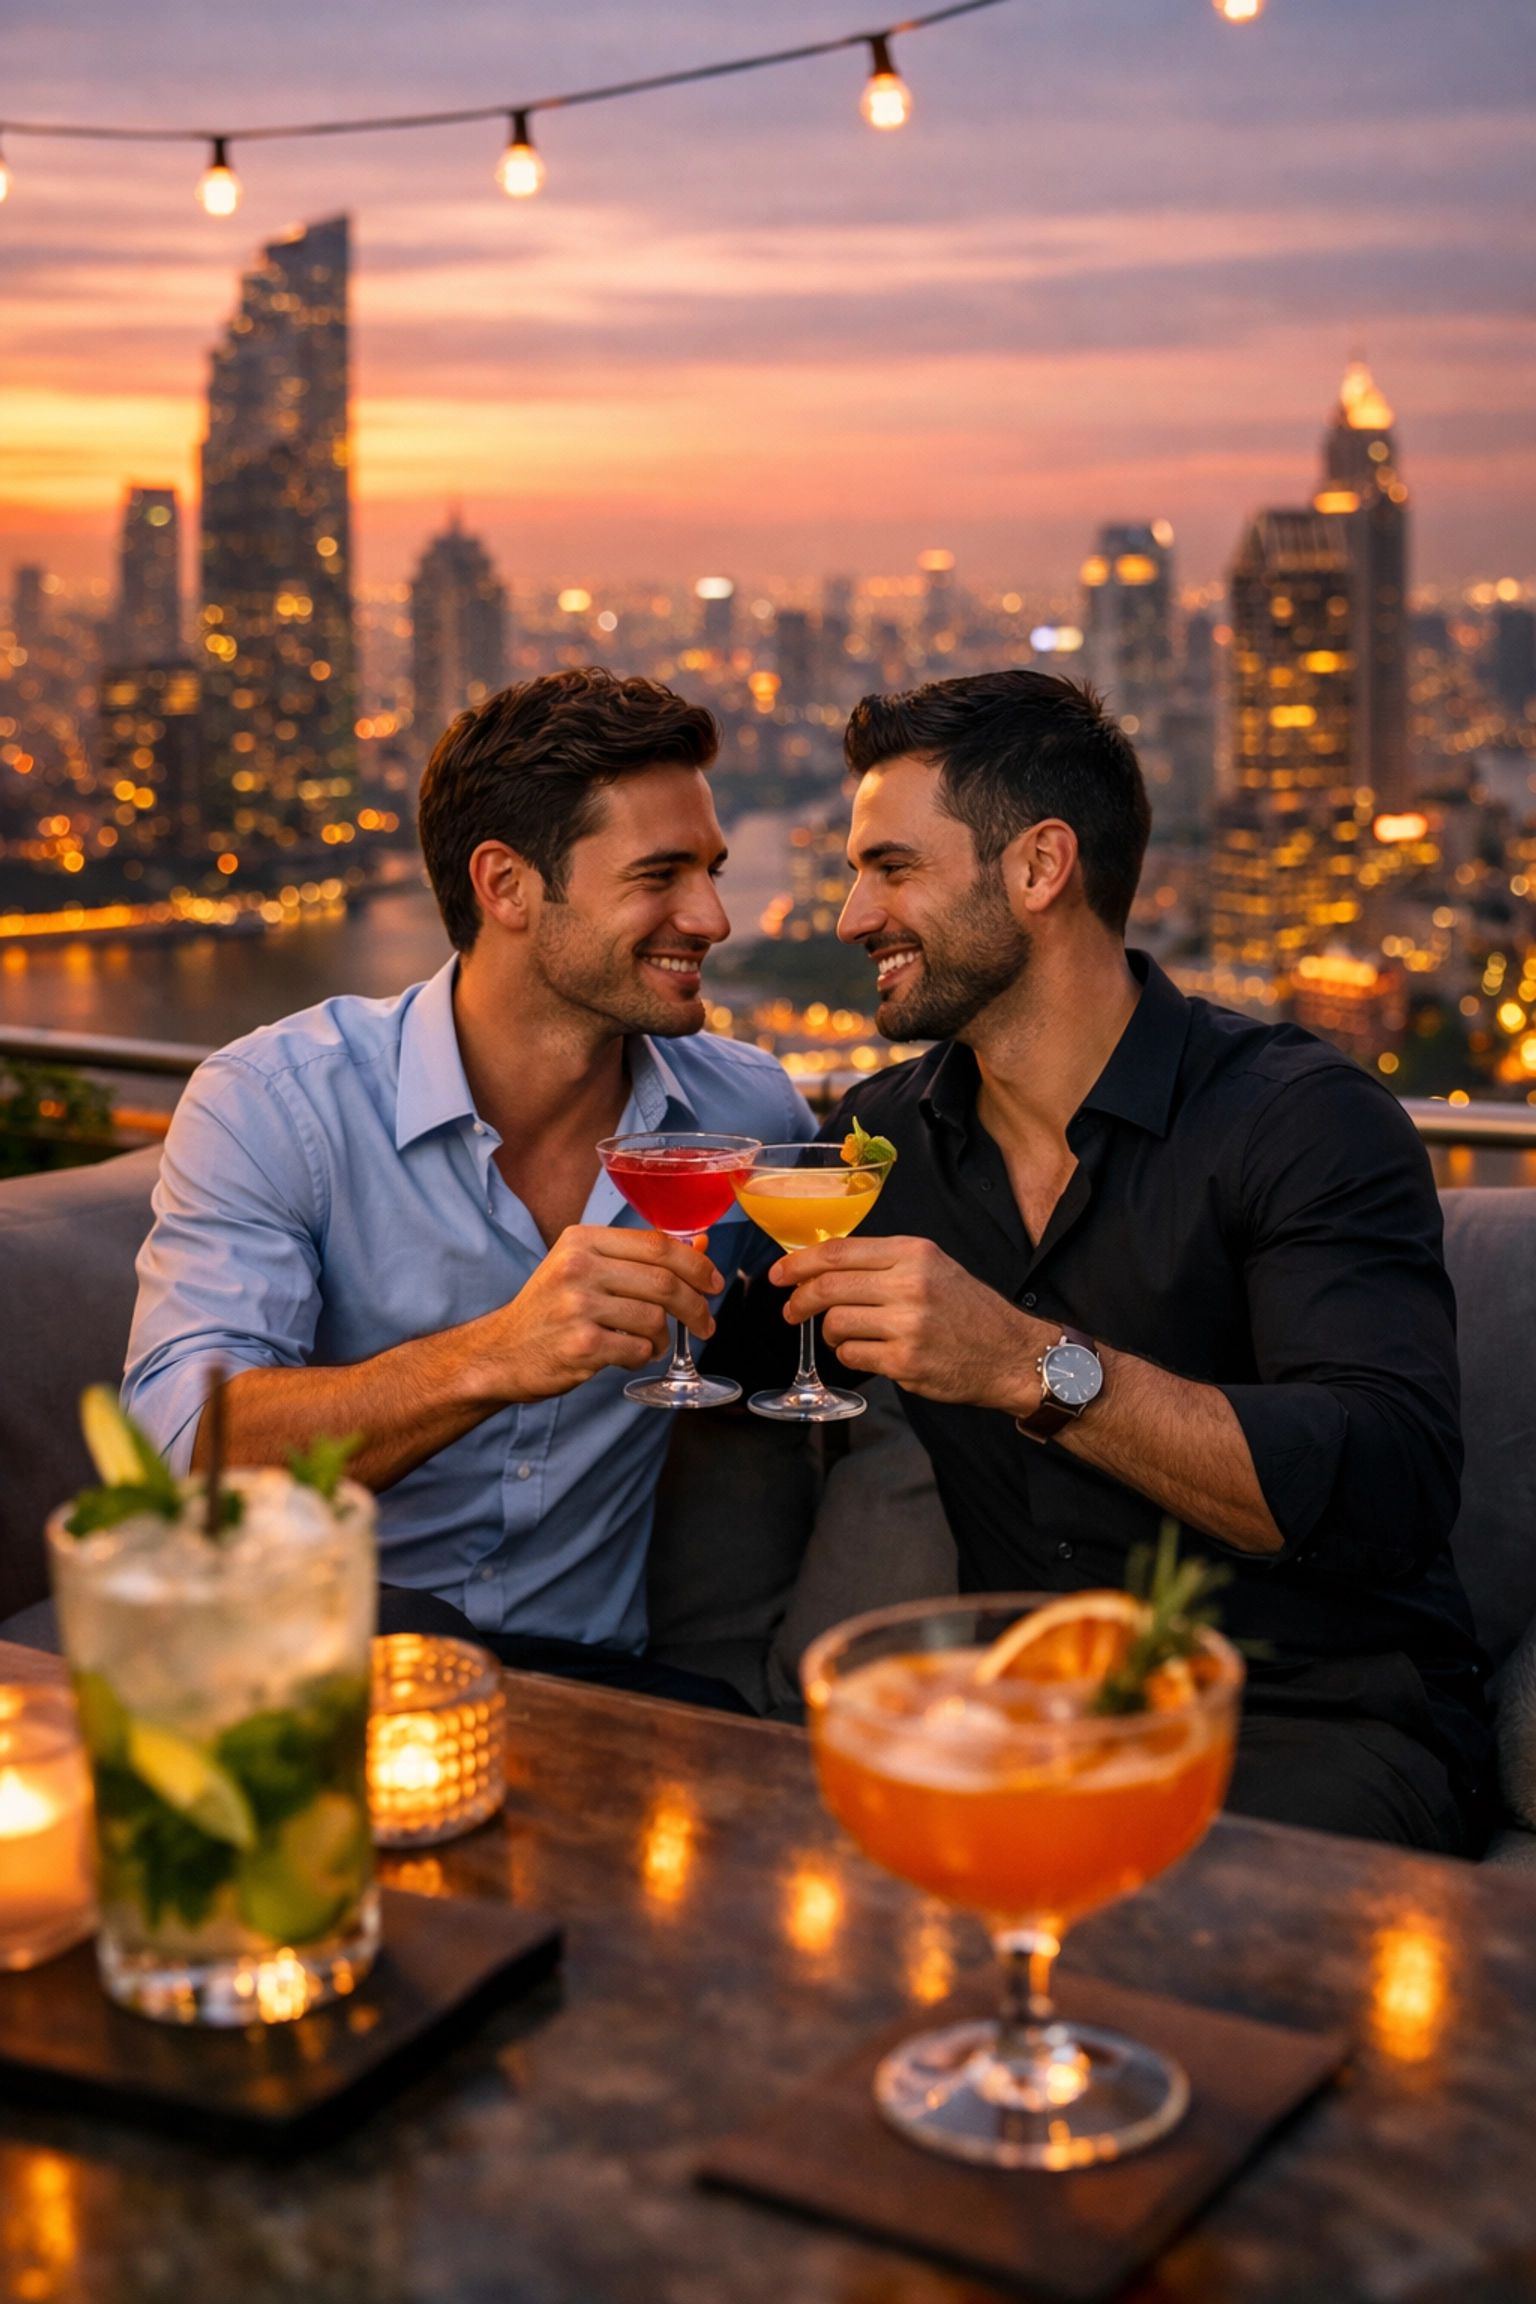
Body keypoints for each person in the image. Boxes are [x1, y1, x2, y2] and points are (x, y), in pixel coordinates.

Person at [762, 667, 1492, 1851]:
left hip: (1309, 1725)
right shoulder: (880, 1142)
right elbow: (757, 1344)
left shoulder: (1302, 1120)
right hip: (1036, 1726)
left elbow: (1386, 1479)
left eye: (892, 868)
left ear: (1040, 867)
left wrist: (1026, 1364)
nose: (852, 917)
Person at [125, 668, 813, 1709]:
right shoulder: (275, 1103)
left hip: (590, 1689)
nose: (712, 916)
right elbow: (183, 1457)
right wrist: (494, 1356)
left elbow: (820, 1295)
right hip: (306, 1669)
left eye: (711, 870)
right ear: (506, 886)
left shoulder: (747, 1114)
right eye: (660, 875)